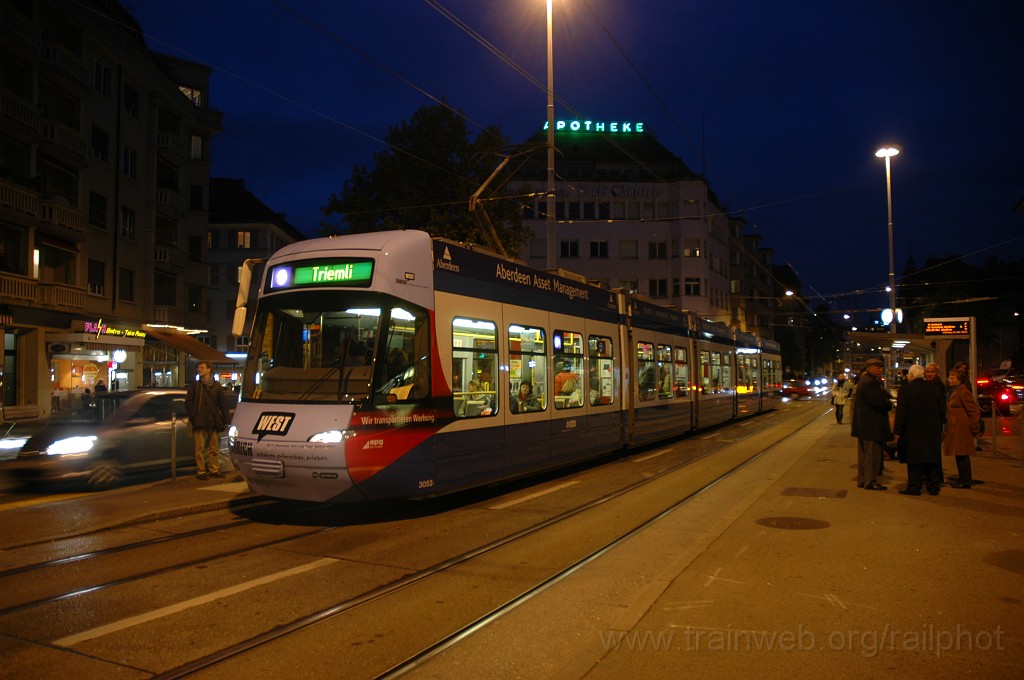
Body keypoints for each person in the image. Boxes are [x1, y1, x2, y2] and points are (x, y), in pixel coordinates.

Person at [893, 364, 946, 496]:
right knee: (932, 458)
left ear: (911, 376)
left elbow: (901, 412)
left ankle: (914, 487)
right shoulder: (934, 389)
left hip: (913, 430)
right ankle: (933, 487)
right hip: (932, 429)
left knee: (914, 460)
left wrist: (898, 430)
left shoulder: (906, 390)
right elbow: (942, 410)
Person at [185, 361, 232, 480]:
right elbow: (188, 402)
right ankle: (201, 471)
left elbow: (223, 404)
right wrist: (194, 416)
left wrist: (226, 419)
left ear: (209, 369)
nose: (199, 369)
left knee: (214, 448)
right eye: (198, 368)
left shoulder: (216, 386)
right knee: (199, 449)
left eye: (202, 367)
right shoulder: (195, 386)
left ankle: (214, 469)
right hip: (200, 421)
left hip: (212, 421)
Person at [850, 358, 891, 490]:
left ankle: (863, 480)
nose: (880, 369)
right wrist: (889, 403)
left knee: (864, 455)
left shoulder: (864, 381)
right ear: (869, 368)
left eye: (880, 367)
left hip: (864, 425)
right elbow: (879, 403)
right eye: (877, 367)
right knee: (872, 455)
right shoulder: (870, 382)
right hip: (872, 425)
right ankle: (871, 481)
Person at [944, 370, 981, 489]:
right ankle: (963, 479)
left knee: (962, 454)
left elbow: (973, 410)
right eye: (950, 377)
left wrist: (974, 427)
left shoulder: (962, 391)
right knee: (959, 454)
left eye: (953, 377)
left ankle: (965, 481)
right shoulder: (953, 391)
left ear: (959, 379)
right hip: (956, 427)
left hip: (961, 427)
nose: (950, 379)